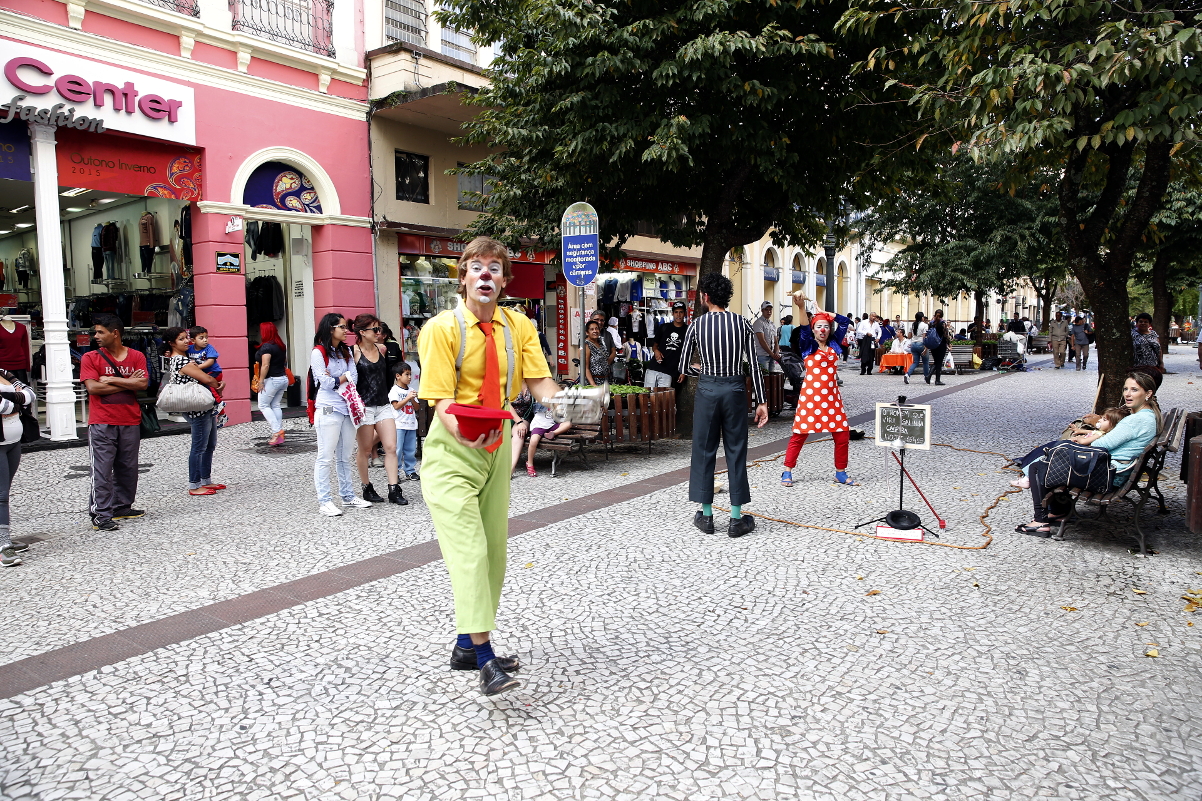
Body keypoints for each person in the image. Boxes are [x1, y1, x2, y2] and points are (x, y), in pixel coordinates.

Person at [417, 236, 562, 696]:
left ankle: (465, 644)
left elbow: (540, 382)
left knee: (495, 553)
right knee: (470, 551)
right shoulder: (440, 329)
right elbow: (440, 398)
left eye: (494, 268)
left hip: (498, 446)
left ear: (504, 280)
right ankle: (483, 659)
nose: (485, 274)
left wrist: (571, 407)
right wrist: (458, 429)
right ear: (462, 277)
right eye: (476, 267)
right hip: (452, 449)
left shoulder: (518, 327)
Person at [678, 272, 768, 539]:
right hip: (735, 389)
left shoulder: (697, 325)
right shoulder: (742, 324)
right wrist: (761, 401)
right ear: (726, 297)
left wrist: (703, 371)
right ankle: (736, 518)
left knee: (704, 449)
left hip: (707, 389)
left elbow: (683, 366)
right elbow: (754, 365)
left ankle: (706, 515)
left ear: (706, 297)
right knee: (736, 449)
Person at [1018, 372, 1162, 537]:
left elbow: (1101, 444)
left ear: (1148, 393)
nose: (1127, 394)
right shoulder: (1148, 415)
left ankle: (1040, 522)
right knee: (1058, 453)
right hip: (1117, 469)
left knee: (1040, 466)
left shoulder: (1136, 420)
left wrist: (1082, 440)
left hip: (1110, 474)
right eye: (1125, 389)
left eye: (1134, 390)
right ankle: (1058, 512)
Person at [781, 292, 856, 487]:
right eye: (818, 326)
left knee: (842, 435)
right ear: (813, 329)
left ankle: (840, 471)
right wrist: (800, 308)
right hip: (811, 398)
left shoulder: (834, 343)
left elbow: (846, 321)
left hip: (832, 398)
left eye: (826, 326)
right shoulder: (808, 345)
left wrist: (826, 313)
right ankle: (787, 470)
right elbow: (804, 327)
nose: (822, 330)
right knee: (799, 434)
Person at [81, 314, 148, 531]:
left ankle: (122, 506)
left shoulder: (136, 355)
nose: (96, 336)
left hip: (130, 419)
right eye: (95, 332)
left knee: (128, 467)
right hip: (102, 421)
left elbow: (144, 383)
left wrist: (112, 379)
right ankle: (101, 514)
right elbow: (93, 388)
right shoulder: (91, 357)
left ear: (115, 333)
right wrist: (129, 383)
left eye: (100, 332)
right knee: (102, 468)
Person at [311, 313, 373, 517]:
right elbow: (324, 382)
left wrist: (340, 377)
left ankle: (347, 495)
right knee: (325, 456)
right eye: (342, 327)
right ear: (331, 328)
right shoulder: (318, 353)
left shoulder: (345, 351)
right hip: (328, 408)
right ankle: (325, 501)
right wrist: (342, 377)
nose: (346, 331)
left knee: (344, 456)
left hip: (347, 407)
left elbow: (353, 376)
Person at [164, 327, 225, 496]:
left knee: (209, 444)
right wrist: (218, 385)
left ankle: (206, 479)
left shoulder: (185, 358)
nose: (186, 341)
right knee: (199, 446)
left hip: (204, 405)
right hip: (196, 408)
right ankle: (194, 484)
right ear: (171, 343)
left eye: (186, 338)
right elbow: (206, 378)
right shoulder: (182, 361)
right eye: (181, 339)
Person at [352, 314, 406, 506]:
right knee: (365, 450)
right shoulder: (354, 352)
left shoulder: (382, 349)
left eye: (379, 329)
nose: (379, 333)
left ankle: (394, 488)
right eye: (374, 329)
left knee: (391, 446)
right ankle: (366, 486)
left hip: (383, 404)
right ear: (361, 332)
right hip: (364, 406)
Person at [1010, 406, 1129, 489]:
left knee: (1047, 456)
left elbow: (1085, 441)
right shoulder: (1101, 432)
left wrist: (1077, 439)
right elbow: (1089, 432)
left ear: (1113, 425)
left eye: (1104, 420)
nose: (1100, 421)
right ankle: (1028, 475)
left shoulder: (1100, 434)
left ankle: (1028, 478)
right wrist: (1078, 430)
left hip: (1078, 454)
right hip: (1079, 453)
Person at [0, 371, 36, 567]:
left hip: (13, 441)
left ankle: (2, 538)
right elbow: (5, 406)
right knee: (1, 495)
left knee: (4, 492)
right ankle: (4, 545)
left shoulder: (3, 372)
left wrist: (14, 400)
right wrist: (17, 399)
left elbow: (31, 394)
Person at [255, 322, 289, 446]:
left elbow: (265, 365)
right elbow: (283, 361)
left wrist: (261, 381)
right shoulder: (281, 345)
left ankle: (277, 431)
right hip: (282, 378)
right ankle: (279, 433)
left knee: (263, 405)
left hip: (272, 379)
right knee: (275, 405)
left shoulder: (267, 347)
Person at [645, 301, 688, 393]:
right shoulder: (664, 327)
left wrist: (683, 372)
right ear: (672, 313)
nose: (678, 315)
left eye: (681, 312)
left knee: (662, 400)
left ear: (685, 313)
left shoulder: (687, 331)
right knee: (647, 396)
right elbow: (655, 346)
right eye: (676, 312)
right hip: (653, 368)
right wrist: (656, 351)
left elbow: (687, 354)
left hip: (669, 372)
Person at [389, 362, 421, 481]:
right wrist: (408, 397)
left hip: (411, 424)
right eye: (406, 374)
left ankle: (410, 470)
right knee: (397, 449)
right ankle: (395, 471)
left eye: (410, 374)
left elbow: (417, 407)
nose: (409, 377)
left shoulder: (411, 390)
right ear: (398, 376)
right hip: (399, 424)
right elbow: (396, 406)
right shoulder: (394, 390)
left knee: (410, 449)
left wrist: (412, 399)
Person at [522, 400, 570, 477]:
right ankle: (530, 463)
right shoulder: (541, 397)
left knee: (568, 424)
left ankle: (553, 434)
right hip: (539, 425)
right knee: (533, 441)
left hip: (551, 426)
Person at [751, 300, 780, 374]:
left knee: (772, 377)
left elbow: (776, 341)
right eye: (766, 309)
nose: (769, 311)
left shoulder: (772, 324)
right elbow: (762, 340)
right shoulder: (758, 323)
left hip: (772, 356)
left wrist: (776, 352)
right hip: (762, 355)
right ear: (762, 310)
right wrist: (772, 354)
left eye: (770, 309)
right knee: (764, 377)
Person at [583, 320, 613, 386]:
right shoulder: (586, 345)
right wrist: (593, 385)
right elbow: (586, 368)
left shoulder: (601, 341)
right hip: (594, 382)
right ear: (587, 332)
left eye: (596, 328)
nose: (595, 331)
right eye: (592, 329)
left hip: (606, 380)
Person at [904, 312, 928, 385]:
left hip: (913, 344)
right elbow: (924, 336)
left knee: (915, 362)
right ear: (922, 318)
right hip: (921, 344)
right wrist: (926, 347)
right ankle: (927, 377)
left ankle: (907, 374)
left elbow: (909, 336)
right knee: (925, 362)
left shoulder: (913, 325)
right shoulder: (925, 325)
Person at [926, 309, 949, 385]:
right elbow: (945, 335)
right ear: (942, 315)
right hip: (941, 344)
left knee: (936, 361)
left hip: (933, 345)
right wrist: (949, 344)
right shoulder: (942, 323)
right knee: (939, 362)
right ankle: (936, 379)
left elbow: (928, 333)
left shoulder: (931, 323)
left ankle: (929, 376)